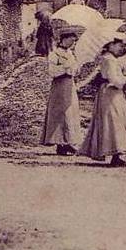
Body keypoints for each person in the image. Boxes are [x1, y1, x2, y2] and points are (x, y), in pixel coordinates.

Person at [80, 36, 126, 166]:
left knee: (114, 120)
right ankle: (115, 154)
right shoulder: (110, 60)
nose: (121, 47)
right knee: (114, 120)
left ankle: (116, 154)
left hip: (109, 92)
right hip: (111, 93)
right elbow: (115, 80)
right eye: (118, 45)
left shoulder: (108, 59)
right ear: (110, 45)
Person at [41, 25, 83, 155]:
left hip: (70, 85)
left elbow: (75, 70)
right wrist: (66, 68)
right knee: (61, 113)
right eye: (71, 40)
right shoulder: (55, 54)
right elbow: (52, 72)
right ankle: (61, 143)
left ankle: (68, 142)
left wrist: (76, 68)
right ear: (63, 39)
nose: (73, 43)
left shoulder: (71, 53)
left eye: (74, 41)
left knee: (71, 113)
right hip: (59, 86)